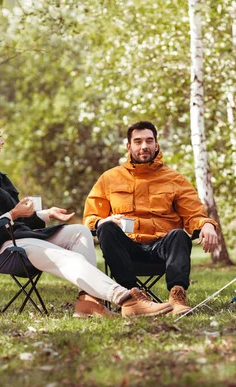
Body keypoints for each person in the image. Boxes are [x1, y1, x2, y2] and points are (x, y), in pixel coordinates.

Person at [0, 113, 172, 318]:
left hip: (15, 238)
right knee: (69, 257)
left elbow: (15, 217)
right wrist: (13, 214)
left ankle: (89, 302)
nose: (2, 141)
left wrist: (45, 214)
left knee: (79, 232)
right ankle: (127, 300)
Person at [82, 121, 220, 315]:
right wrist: (100, 221)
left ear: (156, 144)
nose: (144, 146)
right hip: (125, 250)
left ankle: (177, 296)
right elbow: (91, 215)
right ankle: (132, 297)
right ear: (129, 146)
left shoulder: (175, 179)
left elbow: (193, 212)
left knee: (179, 235)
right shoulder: (109, 178)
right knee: (105, 227)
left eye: (149, 140)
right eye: (137, 141)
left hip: (161, 249)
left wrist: (206, 224)